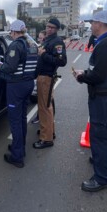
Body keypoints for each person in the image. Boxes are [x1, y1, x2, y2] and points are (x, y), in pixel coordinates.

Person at [72, 10, 107, 192]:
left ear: (100, 24)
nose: (91, 25)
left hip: (103, 97)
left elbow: (98, 75)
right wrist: (86, 74)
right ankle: (105, 160)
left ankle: (102, 178)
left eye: (93, 22)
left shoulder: (105, 45)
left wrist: (81, 76)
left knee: (100, 135)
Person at [0, 20, 36, 168]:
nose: (10, 34)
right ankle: (20, 147)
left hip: (16, 85)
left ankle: (17, 156)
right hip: (28, 83)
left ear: (15, 32)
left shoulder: (16, 45)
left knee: (15, 120)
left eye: (11, 32)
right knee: (22, 117)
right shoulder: (30, 43)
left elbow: (10, 68)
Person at [33, 18, 67, 149]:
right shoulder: (48, 40)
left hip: (47, 77)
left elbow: (62, 61)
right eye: (47, 26)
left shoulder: (57, 42)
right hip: (42, 76)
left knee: (45, 108)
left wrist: (44, 54)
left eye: (52, 27)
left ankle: (46, 139)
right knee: (45, 107)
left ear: (57, 29)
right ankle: (47, 131)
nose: (48, 29)